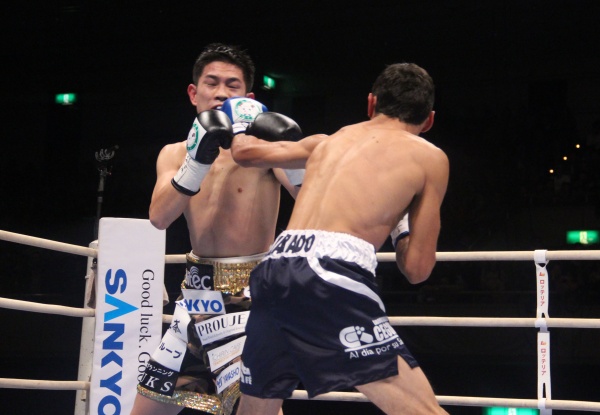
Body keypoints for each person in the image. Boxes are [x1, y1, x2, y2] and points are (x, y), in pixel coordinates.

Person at [229, 63, 450, 415]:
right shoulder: (430, 157)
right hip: (328, 274)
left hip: (275, 268)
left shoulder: (328, 140)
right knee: (420, 408)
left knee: (256, 408)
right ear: (429, 121)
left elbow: (244, 154)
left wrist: (239, 122)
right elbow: (417, 269)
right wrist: (400, 226)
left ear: (371, 103)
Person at [131, 43, 296, 415]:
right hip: (195, 298)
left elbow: (308, 195)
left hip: (251, 298)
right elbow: (159, 217)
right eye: (212, 83)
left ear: (248, 100)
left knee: (254, 408)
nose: (221, 92)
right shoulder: (174, 153)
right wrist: (197, 161)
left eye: (232, 85)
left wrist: (289, 152)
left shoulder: (264, 151)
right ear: (194, 93)